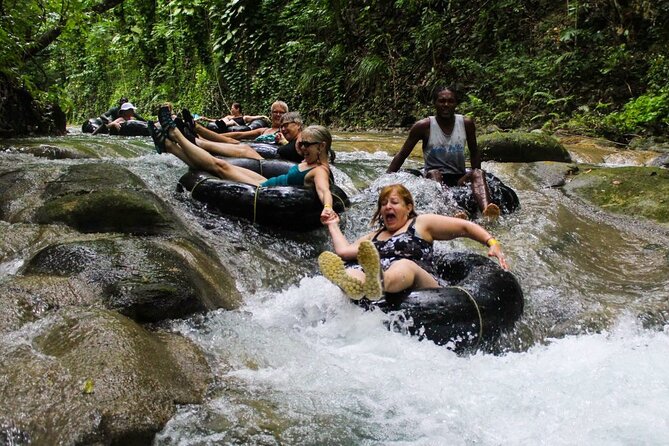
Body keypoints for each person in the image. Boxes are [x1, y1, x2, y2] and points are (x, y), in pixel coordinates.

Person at [318, 183, 508, 300]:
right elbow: (344, 251)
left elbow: (465, 227)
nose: (387, 207)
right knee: (353, 270)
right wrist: (333, 224)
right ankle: (351, 283)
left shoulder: (421, 224)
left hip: (422, 283)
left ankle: (379, 281)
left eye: (393, 202)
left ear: (408, 207)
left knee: (404, 265)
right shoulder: (373, 236)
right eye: (383, 204)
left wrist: (492, 242)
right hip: (382, 284)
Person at [150, 105, 336, 220]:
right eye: (301, 144)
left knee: (219, 166)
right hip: (267, 182)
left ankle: (175, 136)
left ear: (321, 146)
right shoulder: (311, 161)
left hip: (265, 189)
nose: (301, 148)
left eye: (306, 145)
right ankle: (169, 146)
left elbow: (323, 190)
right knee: (223, 165)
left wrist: (328, 208)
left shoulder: (320, 170)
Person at [387, 85, 500, 219]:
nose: (446, 105)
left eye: (450, 101)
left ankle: (487, 210)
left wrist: (475, 180)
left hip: (459, 177)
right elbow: (402, 154)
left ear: (455, 103)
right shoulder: (424, 126)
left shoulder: (466, 124)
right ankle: (453, 211)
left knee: (478, 172)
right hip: (434, 177)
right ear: (435, 103)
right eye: (442, 101)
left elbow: (474, 152)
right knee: (434, 173)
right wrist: (386, 179)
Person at [194, 100, 288, 143]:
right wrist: (215, 137)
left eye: (281, 112)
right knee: (234, 141)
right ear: (271, 114)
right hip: (251, 150)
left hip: (264, 158)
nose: (278, 115)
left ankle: (197, 129)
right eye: (275, 112)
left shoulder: (287, 132)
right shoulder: (263, 130)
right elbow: (239, 135)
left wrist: (262, 116)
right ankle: (199, 136)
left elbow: (253, 117)